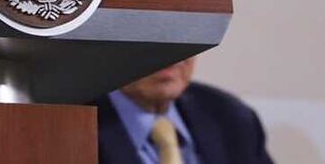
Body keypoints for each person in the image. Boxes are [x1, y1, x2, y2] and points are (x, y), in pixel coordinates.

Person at [94, 57, 274, 164]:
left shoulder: (231, 117)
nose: (170, 50)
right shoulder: (80, 125)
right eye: (150, 31)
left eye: (182, 31)